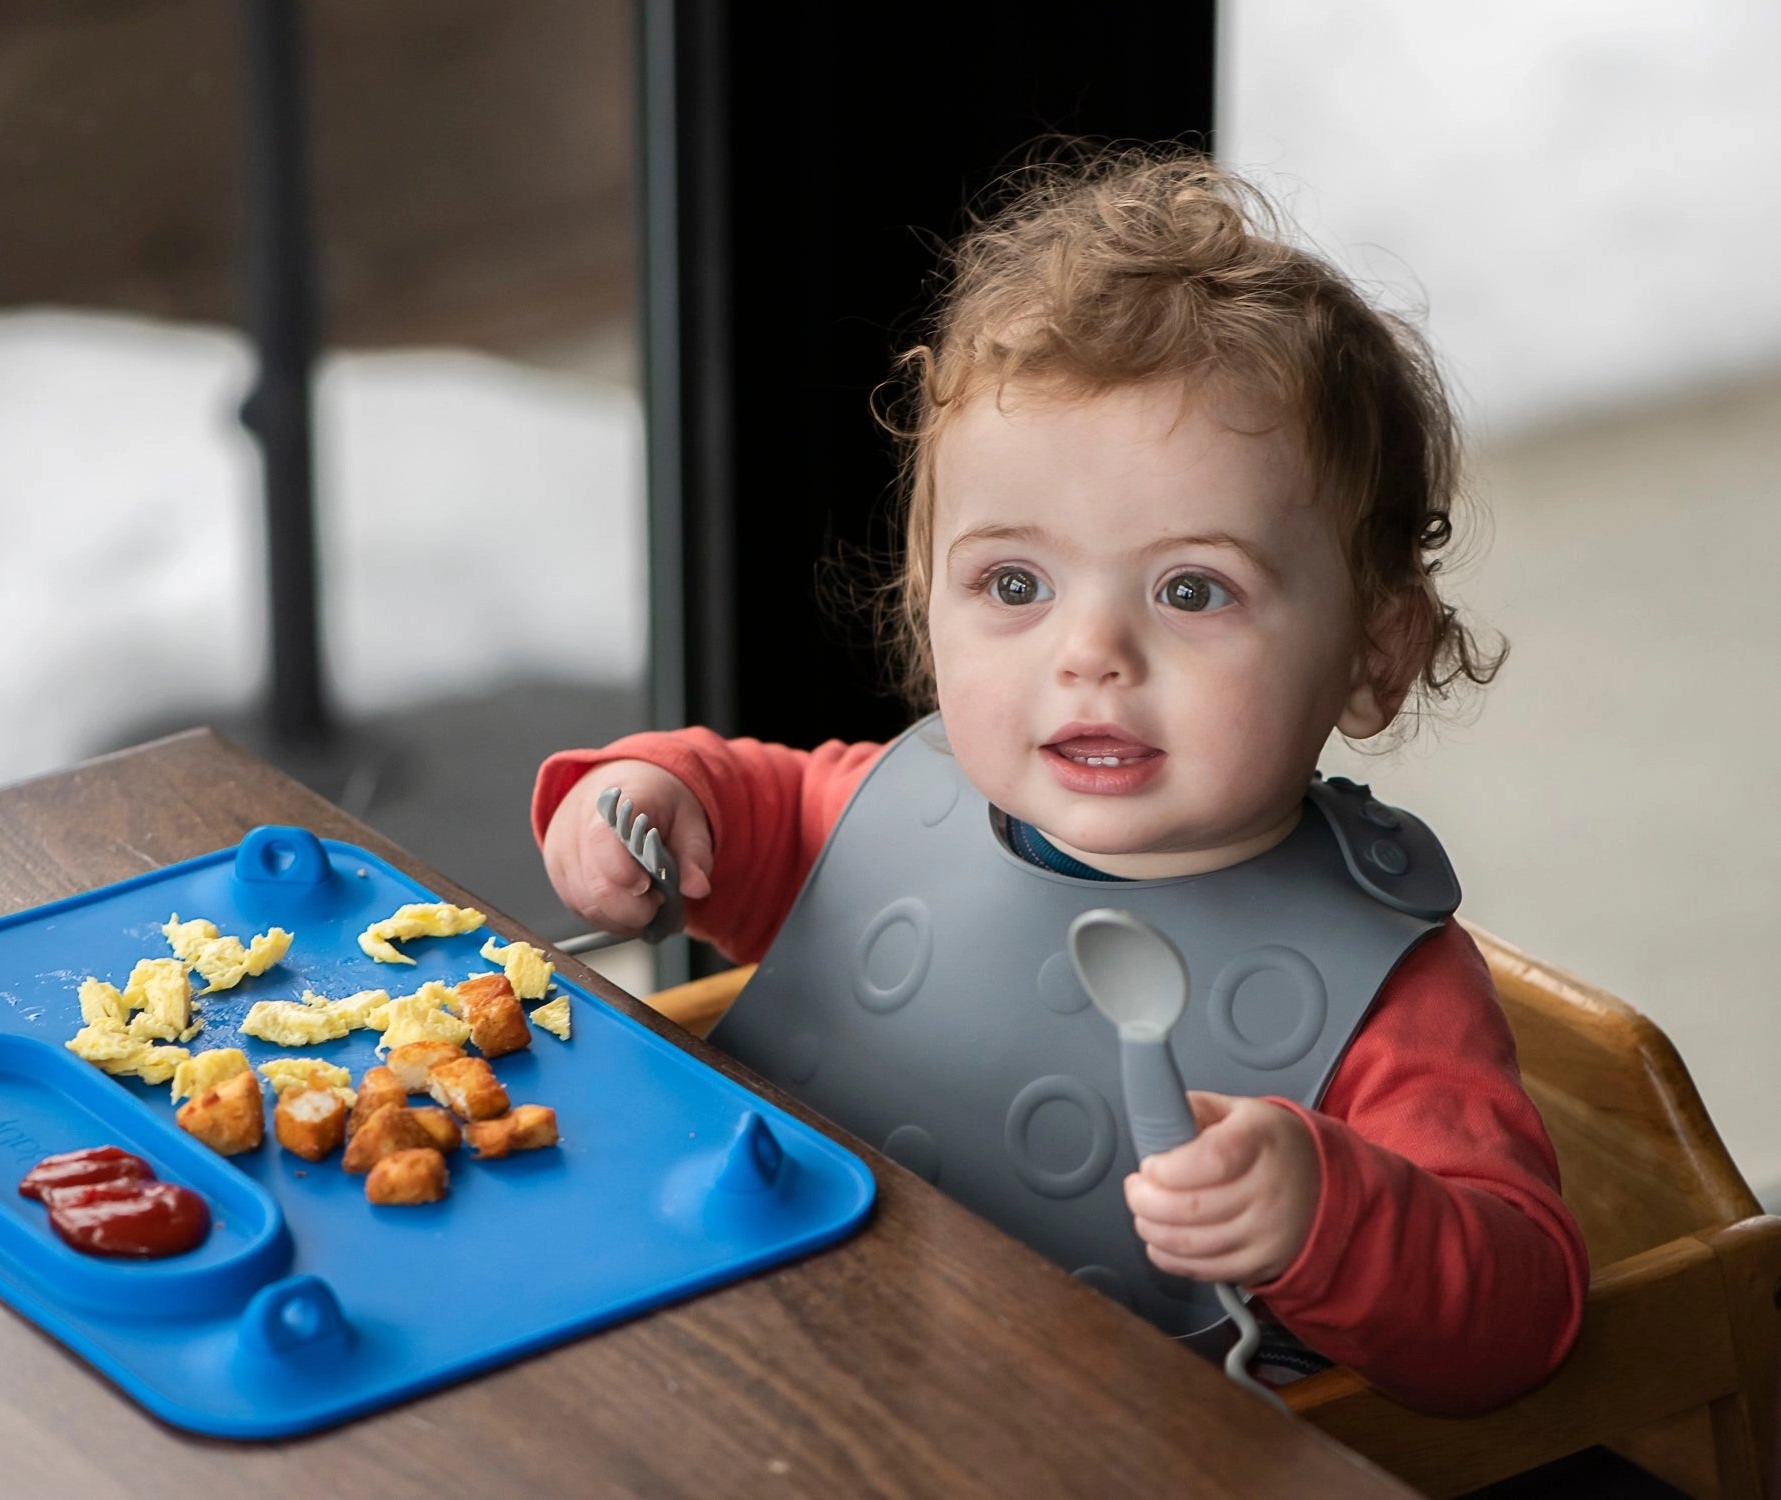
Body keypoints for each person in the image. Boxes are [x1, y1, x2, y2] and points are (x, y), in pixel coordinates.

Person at [532, 151, 1586, 1414]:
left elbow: (1522, 1319)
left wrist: (1327, 1211)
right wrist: (641, 802)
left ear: (1375, 655)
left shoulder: (1392, 995)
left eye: (1192, 590)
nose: (1091, 655)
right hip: (790, 1376)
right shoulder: (887, 808)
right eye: (1015, 585)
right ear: (929, 609)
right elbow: (736, 804)